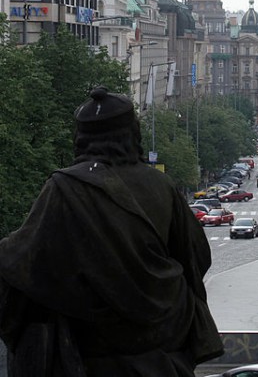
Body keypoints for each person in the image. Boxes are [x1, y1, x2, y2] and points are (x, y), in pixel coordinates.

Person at [0, 85, 223, 376]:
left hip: (96, 354)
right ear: (132, 132)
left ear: (81, 137)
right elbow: (196, 256)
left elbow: (22, 264)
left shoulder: (65, 188)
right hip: (164, 345)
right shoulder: (161, 185)